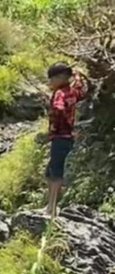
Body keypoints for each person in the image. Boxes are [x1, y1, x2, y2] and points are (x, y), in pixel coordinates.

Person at [38, 62, 89, 219]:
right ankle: (49, 206)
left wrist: (53, 129)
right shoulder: (72, 91)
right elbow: (82, 91)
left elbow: (59, 110)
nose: (50, 82)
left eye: (52, 78)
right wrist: (78, 76)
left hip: (60, 136)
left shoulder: (60, 93)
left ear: (60, 78)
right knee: (52, 171)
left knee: (56, 174)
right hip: (67, 138)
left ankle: (52, 209)